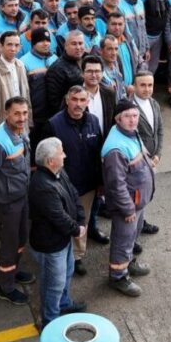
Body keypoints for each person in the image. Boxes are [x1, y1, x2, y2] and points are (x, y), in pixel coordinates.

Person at [0, 96, 35, 305]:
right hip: (6, 204)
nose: (22, 118)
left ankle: (14, 270)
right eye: (17, 114)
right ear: (6, 114)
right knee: (9, 245)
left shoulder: (20, 131)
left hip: (20, 196)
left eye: (25, 113)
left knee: (21, 239)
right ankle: (6, 287)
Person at [49, 86, 108, 278]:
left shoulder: (93, 121)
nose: (78, 104)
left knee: (82, 220)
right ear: (67, 100)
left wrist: (100, 182)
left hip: (87, 185)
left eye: (83, 100)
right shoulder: (54, 124)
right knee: (63, 222)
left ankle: (77, 257)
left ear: (88, 102)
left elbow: (98, 154)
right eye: (74, 99)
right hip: (63, 186)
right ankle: (59, 256)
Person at [28, 137, 87, 327]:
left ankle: (63, 304)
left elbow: (73, 194)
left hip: (62, 239)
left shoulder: (59, 172)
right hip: (51, 244)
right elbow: (57, 216)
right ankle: (50, 320)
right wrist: (76, 229)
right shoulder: (42, 186)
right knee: (53, 283)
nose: (65, 155)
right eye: (61, 152)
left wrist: (80, 219)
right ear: (51, 161)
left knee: (67, 272)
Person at [102, 100, 156, 297]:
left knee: (133, 237)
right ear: (118, 119)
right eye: (128, 116)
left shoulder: (130, 133)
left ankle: (129, 264)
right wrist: (127, 209)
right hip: (128, 206)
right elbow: (116, 185)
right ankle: (118, 277)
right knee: (123, 241)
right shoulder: (115, 148)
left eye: (135, 115)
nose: (133, 120)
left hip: (137, 202)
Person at [0, 30, 30, 126]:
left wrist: (28, 123)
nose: (13, 49)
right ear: (0, 46)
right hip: (3, 127)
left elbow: (26, 95)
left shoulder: (20, 65)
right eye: (9, 44)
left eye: (16, 45)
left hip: (21, 123)